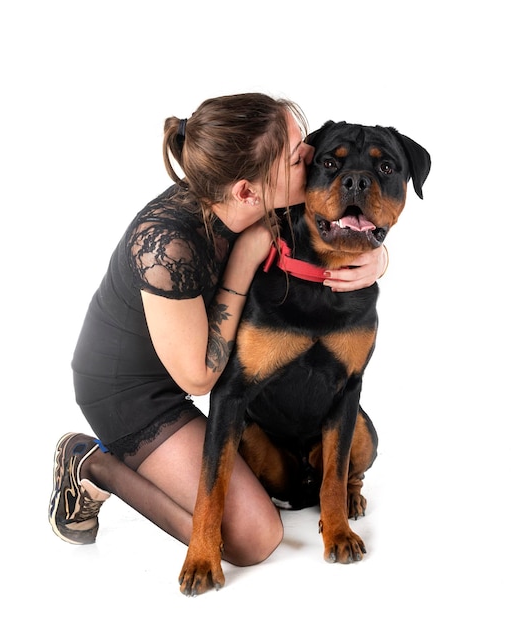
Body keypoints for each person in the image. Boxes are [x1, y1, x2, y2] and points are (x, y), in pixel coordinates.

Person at [49, 93, 388, 568]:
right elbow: (200, 378)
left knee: (258, 507)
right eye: (297, 156)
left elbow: (341, 227)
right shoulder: (168, 243)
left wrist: (375, 256)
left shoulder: (262, 196)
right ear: (249, 192)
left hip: (197, 369)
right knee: (253, 540)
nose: (312, 156)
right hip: (133, 390)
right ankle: (92, 464)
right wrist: (246, 260)